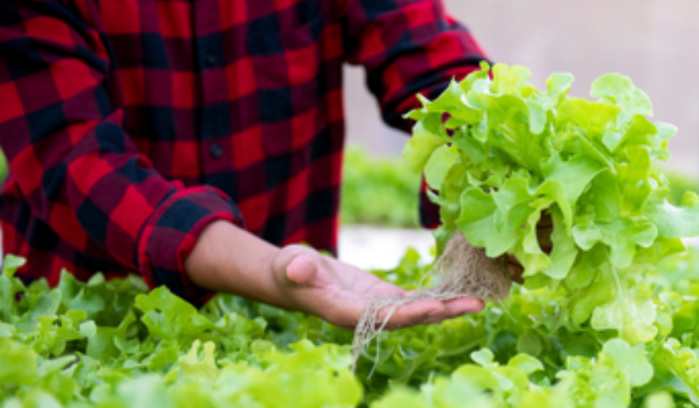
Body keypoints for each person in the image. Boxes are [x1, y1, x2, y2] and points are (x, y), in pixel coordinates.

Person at [0, 0, 493, 329]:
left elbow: (422, 49)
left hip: (298, 315)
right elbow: (76, 160)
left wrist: (493, 174)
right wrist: (266, 268)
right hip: (87, 323)